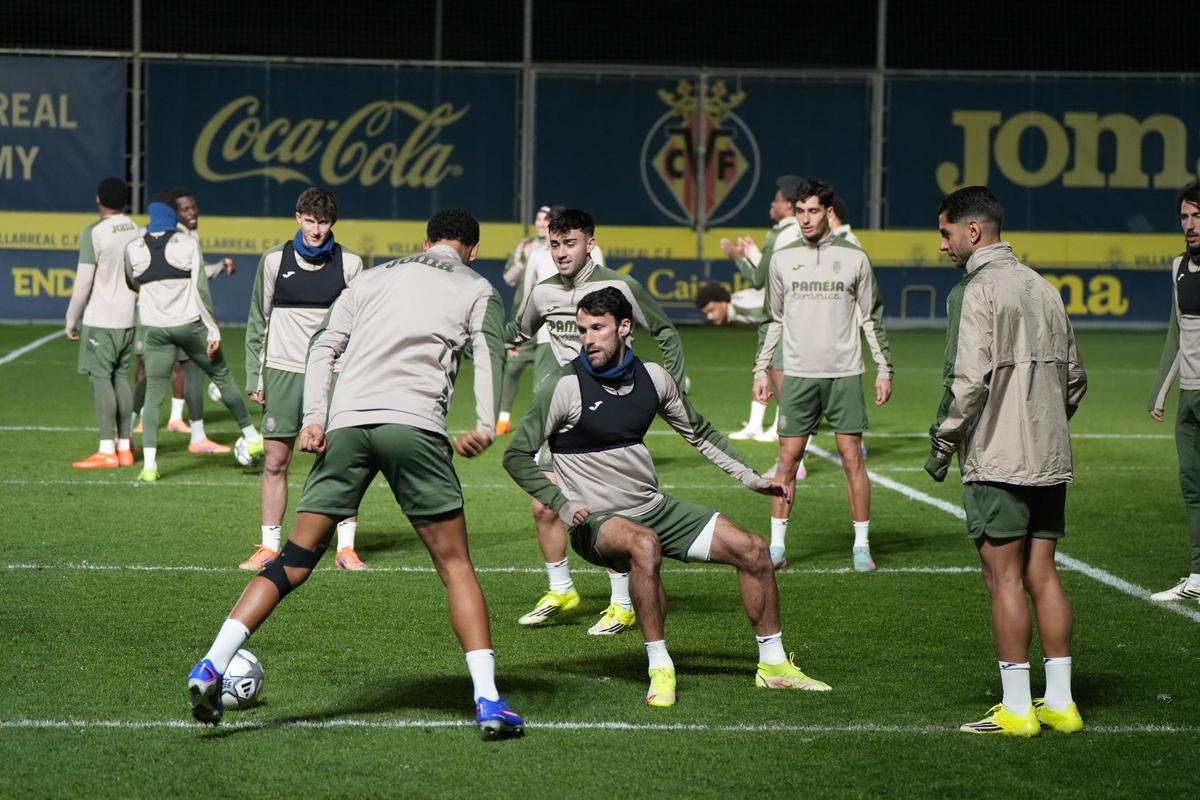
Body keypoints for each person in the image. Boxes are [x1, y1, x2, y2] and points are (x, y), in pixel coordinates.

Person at [186, 208, 525, 739]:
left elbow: (324, 345)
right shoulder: (476, 287)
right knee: (455, 565)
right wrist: (485, 422)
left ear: (425, 240)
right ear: (472, 249)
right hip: (413, 425)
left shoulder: (373, 276)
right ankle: (488, 700)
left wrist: (315, 418)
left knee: (294, 561)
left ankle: (210, 663)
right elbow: (489, 351)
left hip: (348, 424)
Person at [504, 287, 829, 707]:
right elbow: (516, 455)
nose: (587, 339)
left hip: (653, 508)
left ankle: (774, 666)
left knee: (753, 549)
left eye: (597, 328)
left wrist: (750, 478)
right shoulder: (565, 385)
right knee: (644, 544)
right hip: (597, 521)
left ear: (625, 328)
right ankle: (660, 667)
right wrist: (562, 504)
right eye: (583, 329)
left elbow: (700, 433)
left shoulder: (654, 378)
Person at [926, 185, 1087, 736]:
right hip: (1050, 455)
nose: (942, 245)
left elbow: (969, 383)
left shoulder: (977, 290)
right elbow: (1076, 379)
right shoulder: (1045, 288)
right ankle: (1061, 704)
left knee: (1003, 580)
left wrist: (944, 441)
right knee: (1043, 573)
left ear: (973, 231)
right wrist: (1042, 420)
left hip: (997, 459)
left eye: (946, 233)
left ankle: (1019, 709)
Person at [505, 208, 689, 635]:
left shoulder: (619, 286)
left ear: (590, 242)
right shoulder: (543, 293)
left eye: (570, 243)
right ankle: (562, 590)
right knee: (544, 504)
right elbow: (517, 331)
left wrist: (670, 390)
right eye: (554, 244)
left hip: (609, 411)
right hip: (565, 412)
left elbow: (665, 332)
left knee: (608, 509)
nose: (561, 253)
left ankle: (623, 603)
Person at [753, 178, 893, 571]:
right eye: (799, 211)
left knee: (852, 460)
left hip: (844, 374)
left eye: (813, 210)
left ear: (828, 212)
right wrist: (761, 370)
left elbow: (870, 318)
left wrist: (884, 369)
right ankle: (777, 548)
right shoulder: (783, 259)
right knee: (787, 460)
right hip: (797, 374)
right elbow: (772, 320)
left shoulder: (854, 258)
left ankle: (861, 546)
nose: (805, 219)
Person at [241, 188, 367, 572]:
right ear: (298, 217)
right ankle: (269, 546)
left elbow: (361, 326)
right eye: (310, 221)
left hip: (333, 374)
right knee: (276, 461)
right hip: (282, 371)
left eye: (324, 222)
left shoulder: (351, 264)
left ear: (333, 223)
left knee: (339, 460)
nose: (316, 230)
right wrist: (254, 374)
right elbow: (257, 320)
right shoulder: (274, 261)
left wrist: (357, 375)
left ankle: (345, 549)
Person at [123, 192, 263, 482]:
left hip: (155, 330)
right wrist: (213, 328)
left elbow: (132, 282)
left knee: (152, 394)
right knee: (222, 377)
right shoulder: (187, 243)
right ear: (173, 217)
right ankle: (251, 435)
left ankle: (149, 466)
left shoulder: (133, 248)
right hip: (189, 326)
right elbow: (200, 289)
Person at [130, 188, 237, 444]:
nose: (192, 212)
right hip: (151, 316)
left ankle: (176, 418)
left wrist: (220, 266)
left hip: (181, 316)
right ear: (173, 214)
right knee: (146, 365)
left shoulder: (189, 238)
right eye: (185, 209)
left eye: (193, 207)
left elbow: (197, 277)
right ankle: (140, 419)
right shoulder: (147, 236)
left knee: (183, 365)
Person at [694, 283, 807, 481]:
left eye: (711, 310)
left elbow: (780, 317)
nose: (710, 317)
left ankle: (796, 463)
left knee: (790, 396)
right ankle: (784, 445)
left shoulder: (746, 309)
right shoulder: (737, 309)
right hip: (789, 340)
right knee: (778, 383)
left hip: (797, 337)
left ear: (722, 302)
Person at [1147, 180, 1200, 603]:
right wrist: (1159, 392)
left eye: (1197, 216)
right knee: (1192, 485)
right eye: (1184, 216)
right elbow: (1176, 333)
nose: (1189, 224)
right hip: (1188, 395)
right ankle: (1199, 577)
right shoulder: (1178, 266)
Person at [64, 177, 141, 469]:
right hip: (127, 316)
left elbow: (84, 282)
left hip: (101, 318)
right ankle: (124, 448)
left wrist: (71, 319)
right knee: (121, 378)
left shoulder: (94, 231)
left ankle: (106, 449)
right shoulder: (134, 228)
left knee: (101, 379)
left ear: (99, 200)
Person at [720, 175, 802, 442]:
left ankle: (781, 423)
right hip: (797, 312)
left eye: (777, 199)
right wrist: (754, 253)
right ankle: (758, 424)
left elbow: (759, 279)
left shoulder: (779, 234)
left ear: (789, 205)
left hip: (780, 313)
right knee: (772, 366)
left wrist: (739, 258)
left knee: (773, 367)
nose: (772, 203)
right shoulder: (800, 232)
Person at [497, 204, 564, 436]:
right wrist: (520, 259)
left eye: (545, 219)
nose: (540, 223)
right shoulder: (530, 249)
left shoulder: (565, 248)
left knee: (554, 378)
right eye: (538, 218)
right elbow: (509, 278)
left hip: (555, 324)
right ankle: (503, 419)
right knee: (514, 367)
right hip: (531, 320)